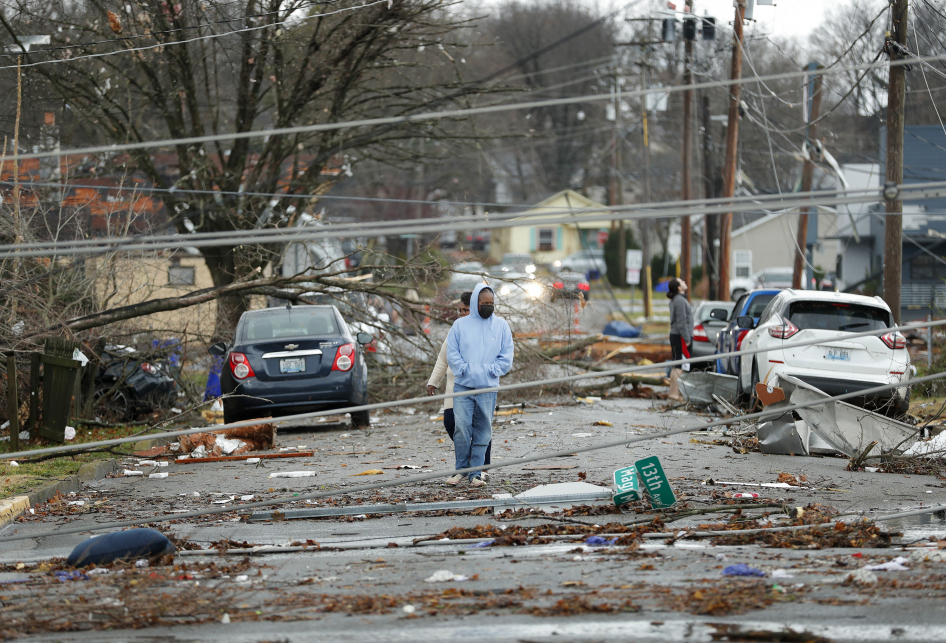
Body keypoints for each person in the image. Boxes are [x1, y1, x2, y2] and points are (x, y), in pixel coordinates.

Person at [445, 283, 513, 486]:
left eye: (491, 303)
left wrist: (491, 371)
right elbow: (452, 353)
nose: (488, 306)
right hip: (463, 386)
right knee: (462, 429)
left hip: (488, 387)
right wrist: (465, 370)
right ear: (475, 303)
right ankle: (461, 470)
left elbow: (506, 355)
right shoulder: (460, 325)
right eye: (484, 303)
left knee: (483, 430)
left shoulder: (501, 326)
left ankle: (476, 473)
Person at [426, 293, 493, 471]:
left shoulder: (487, 328)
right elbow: (443, 357)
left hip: (478, 387)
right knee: (451, 423)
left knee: (480, 428)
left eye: (466, 310)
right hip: (453, 387)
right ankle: (470, 461)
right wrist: (433, 381)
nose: (462, 313)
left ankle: (482, 468)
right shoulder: (455, 329)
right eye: (460, 310)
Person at [667, 278, 693, 399]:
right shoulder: (680, 301)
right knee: (680, 366)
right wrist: (687, 339)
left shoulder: (676, 300)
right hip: (680, 336)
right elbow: (682, 322)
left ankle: (672, 393)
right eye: (682, 281)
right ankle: (674, 393)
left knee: (676, 364)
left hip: (675, 334)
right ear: (679, 287)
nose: (684, 281)